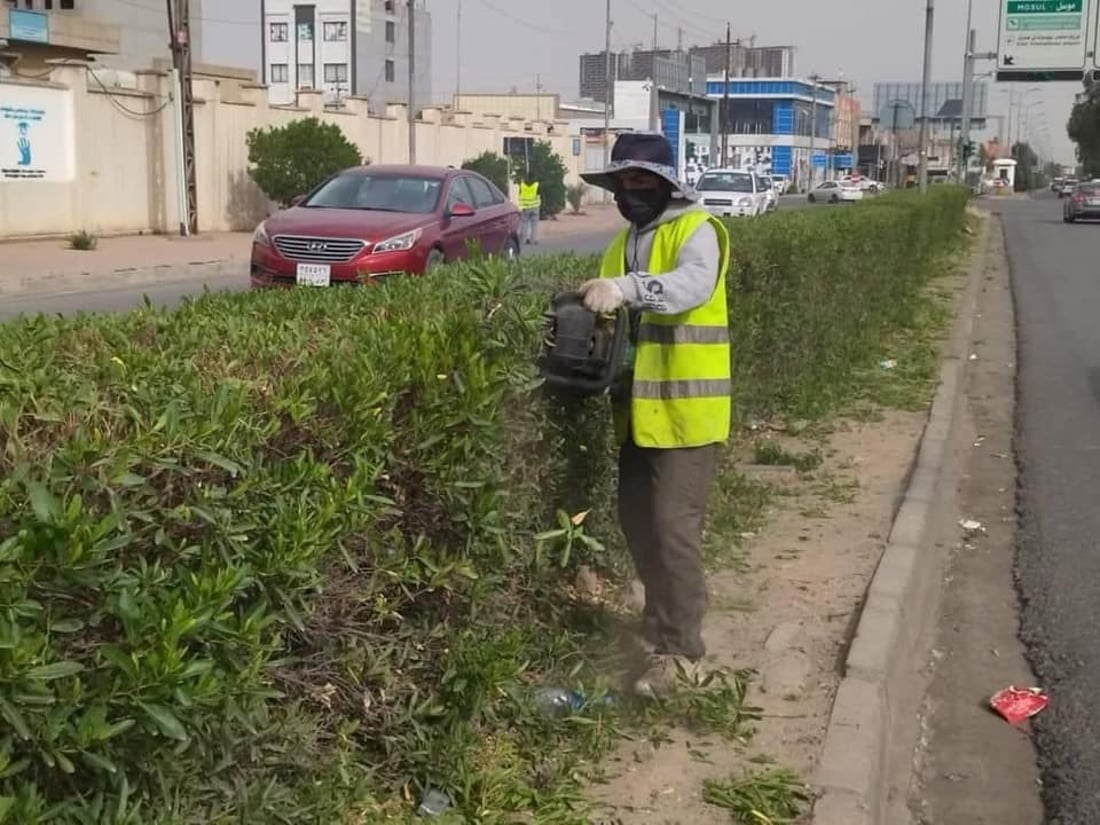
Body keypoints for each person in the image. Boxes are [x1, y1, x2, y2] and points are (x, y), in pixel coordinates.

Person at [576, 132, 731, 699]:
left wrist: (626, 288)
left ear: (668, 185)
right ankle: (658, 627)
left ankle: (682, 650)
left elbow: (693, 286)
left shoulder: (698, 231)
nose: (632, 191)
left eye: (644, 181)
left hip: (689, 413)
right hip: (637, 414)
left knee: (672, 528)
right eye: (624, 182)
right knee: (638, 524)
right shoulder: (622, 243)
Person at [517, 173, 541, 245]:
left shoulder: (522, 185)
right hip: (535, 207)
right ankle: (533, 240)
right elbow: (538, 195)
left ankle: (523, 240)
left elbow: (520, 196)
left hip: (525, 207)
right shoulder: (536, 185)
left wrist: (521, 207)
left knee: (524, 224)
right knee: (534, 224)